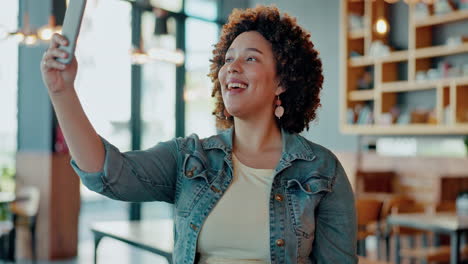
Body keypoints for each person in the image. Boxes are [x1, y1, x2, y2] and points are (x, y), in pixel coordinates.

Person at [40, 5, 357, 264]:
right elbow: (108, 174)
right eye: (228, 58)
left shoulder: (321, 170)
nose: (232, 67)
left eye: (250, 58)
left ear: (282, 82)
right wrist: (62, 91)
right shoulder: (190, 158)